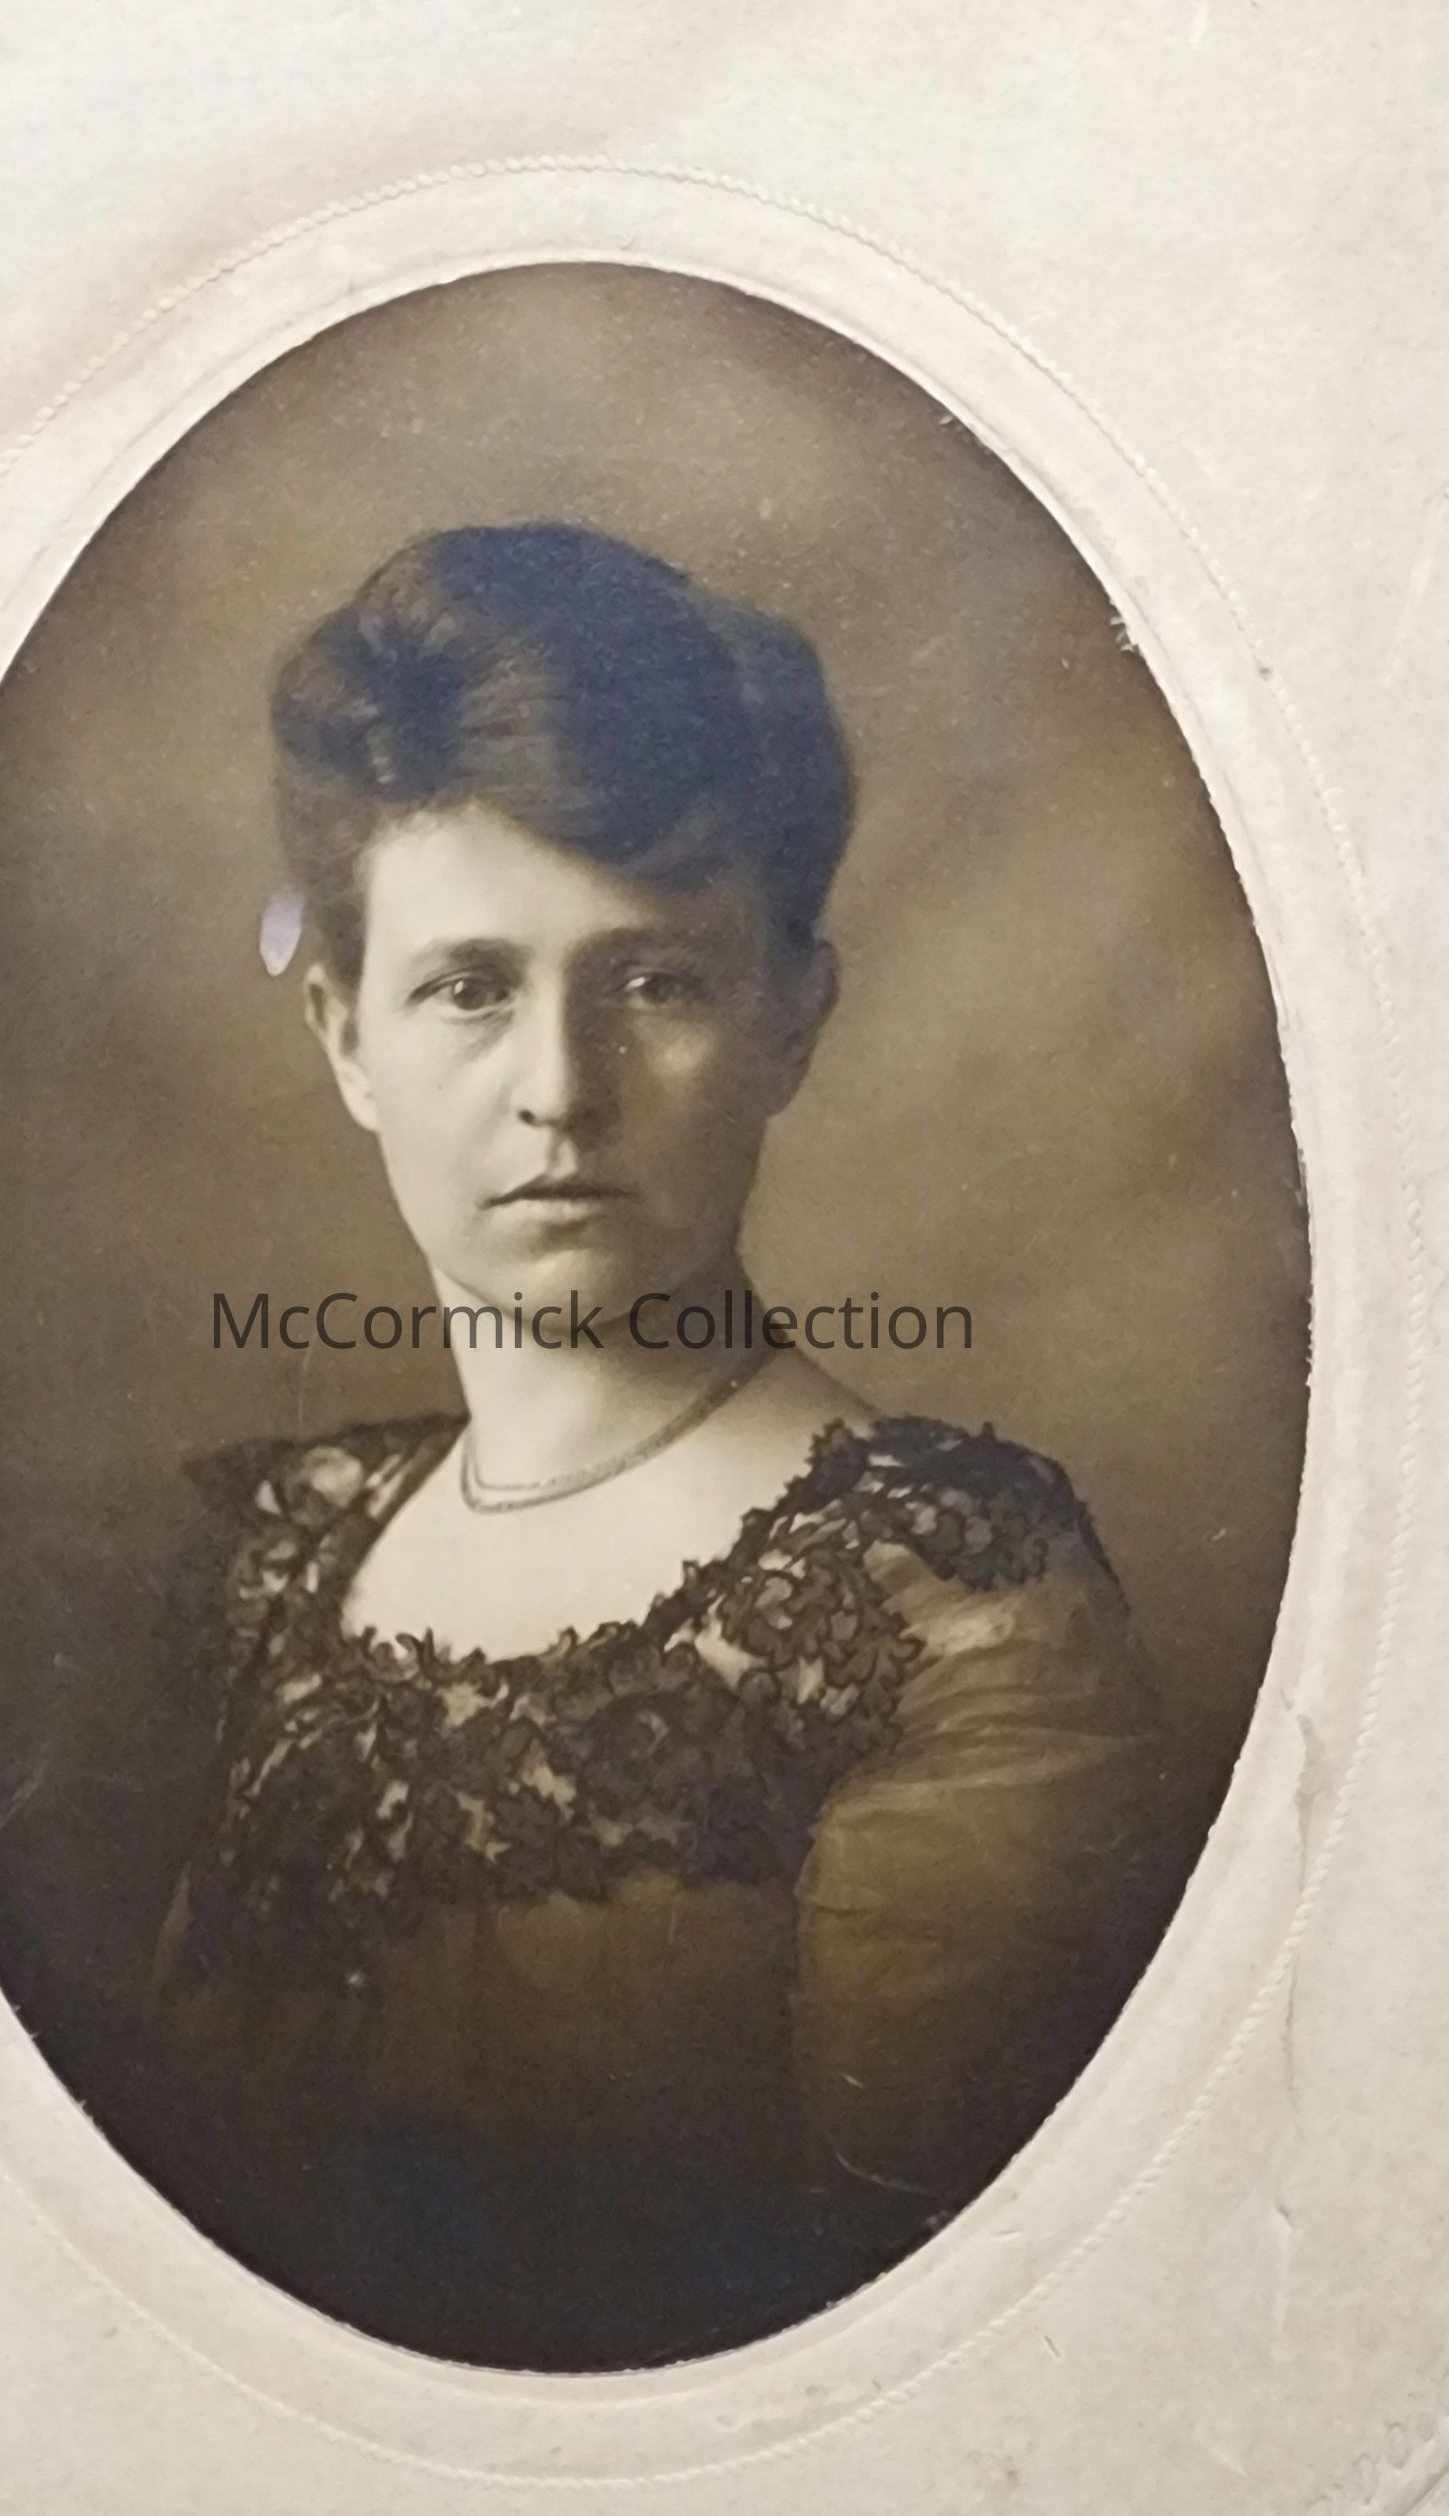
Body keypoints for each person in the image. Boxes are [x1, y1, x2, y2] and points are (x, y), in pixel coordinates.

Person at [140, 522, 1193, 2372]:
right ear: (345, 1036)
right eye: (469, 986)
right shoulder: (277, 1549)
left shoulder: (941, 1597)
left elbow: (953, 2353)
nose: (561, 1088)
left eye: (658, 982)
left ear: (793, 1020)